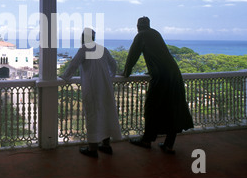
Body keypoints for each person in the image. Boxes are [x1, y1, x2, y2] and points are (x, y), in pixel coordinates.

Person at [122, 17, 193, 154]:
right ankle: (168, 144)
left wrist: (126, 73)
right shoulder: (155, 33)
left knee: (151, 107)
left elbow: (132, 57)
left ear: (138, 26)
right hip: (174, 74)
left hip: (161, 77)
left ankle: (146, 140)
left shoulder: (141, 35)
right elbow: (159, 55)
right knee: (173, 108)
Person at [60, 28, 122, 158]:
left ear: (84, 37)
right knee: (107, 113)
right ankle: (106, 145)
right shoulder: (102, 49)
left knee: (93, 114)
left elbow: (73, 65)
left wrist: (65, 78)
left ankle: (92, 149)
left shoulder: (84, 49)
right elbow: (113, 64)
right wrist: (110, 76)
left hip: (92, 87)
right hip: (105, 86)